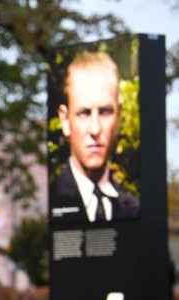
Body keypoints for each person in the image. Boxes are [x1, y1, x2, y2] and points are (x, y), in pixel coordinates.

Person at [51, 52, 139, 223]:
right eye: (84, 113)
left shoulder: (133, 208)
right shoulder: (52, 196)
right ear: (65, 120)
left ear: (119, 115)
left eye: (105, 112)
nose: (95, 129)